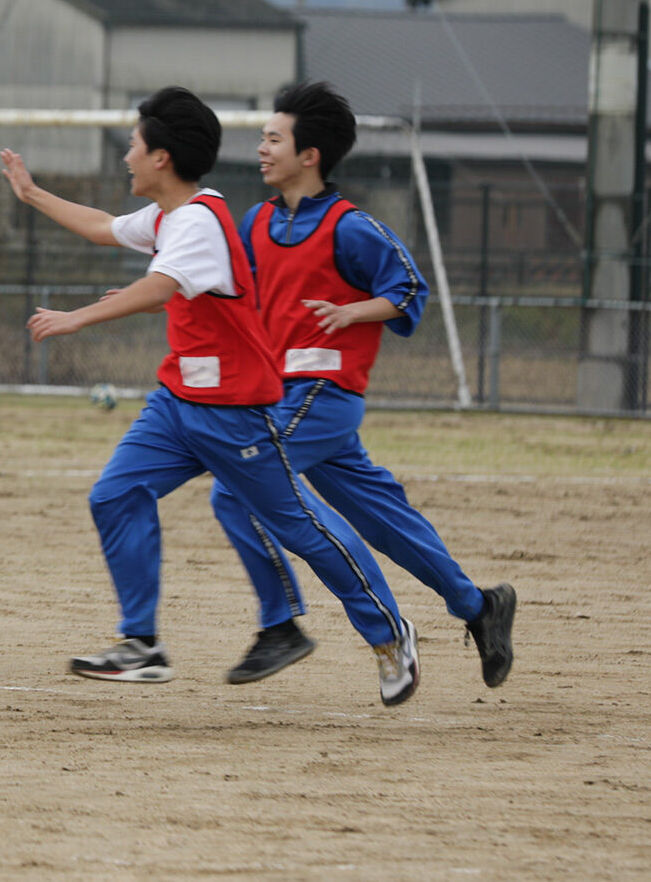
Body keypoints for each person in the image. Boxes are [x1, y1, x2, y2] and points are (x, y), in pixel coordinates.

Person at [0, 86, 419, 707]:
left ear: (162, 157)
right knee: (116, 493)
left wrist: (76, 318)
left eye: (134, 148)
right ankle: (141, 644)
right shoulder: (174, 212)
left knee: (300, 527)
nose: (127, 159)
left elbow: (160, 287)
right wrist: (32, 194)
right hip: (175, 406)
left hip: (231, 412)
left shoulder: (199, 219)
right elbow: (102, 228)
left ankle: (389, 632)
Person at [210, 81, 516, 688]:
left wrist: (355, 311)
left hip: (324, 392)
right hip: (281, 396)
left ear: (310, 155)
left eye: (274, 138)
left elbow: (409, 290)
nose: (262, 148)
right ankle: (480, 607)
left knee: (235, 489)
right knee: (384, 519)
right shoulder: (257, 221)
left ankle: (288, 626)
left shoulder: (352, 228)